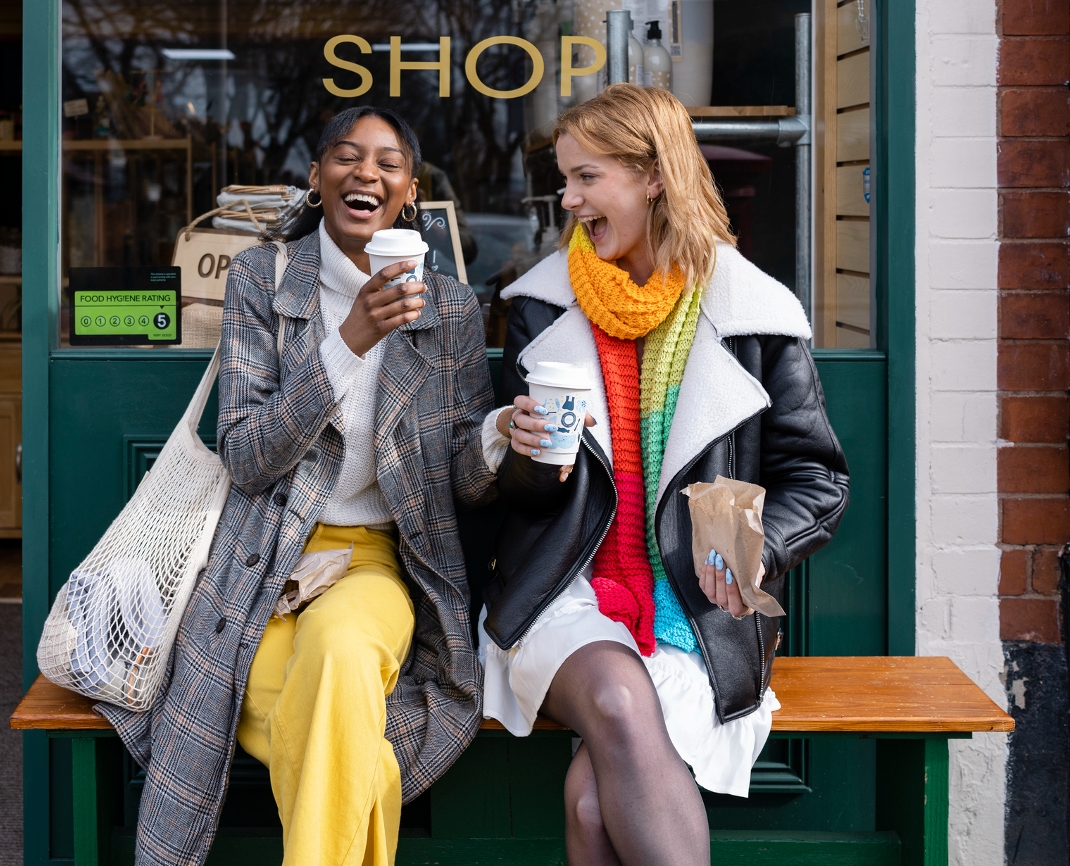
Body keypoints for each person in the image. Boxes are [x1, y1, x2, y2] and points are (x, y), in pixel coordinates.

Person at [98, 106, 500, 866]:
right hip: (260, 558)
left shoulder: (446, 308)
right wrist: (350, 341)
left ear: (409, 194)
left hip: (376, 557)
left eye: (388, 163)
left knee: (343, 654)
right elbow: (248, 456)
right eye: (346, 157)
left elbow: (463, 482)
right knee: (341, 722)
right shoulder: (263, 278)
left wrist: (500, 439)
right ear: (317, 179)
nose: (366, 174)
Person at [480, 84, 850, 865]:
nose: (569, 199)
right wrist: (521, 454)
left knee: (589, 803)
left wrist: (754, 549)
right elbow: (519, 503)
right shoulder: (541, 309)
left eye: (588, 177)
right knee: (615, 696)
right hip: (566, 590)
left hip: (696, 607)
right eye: (565, 179)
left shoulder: (752, 313)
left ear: (652, 177)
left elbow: (817, 481)